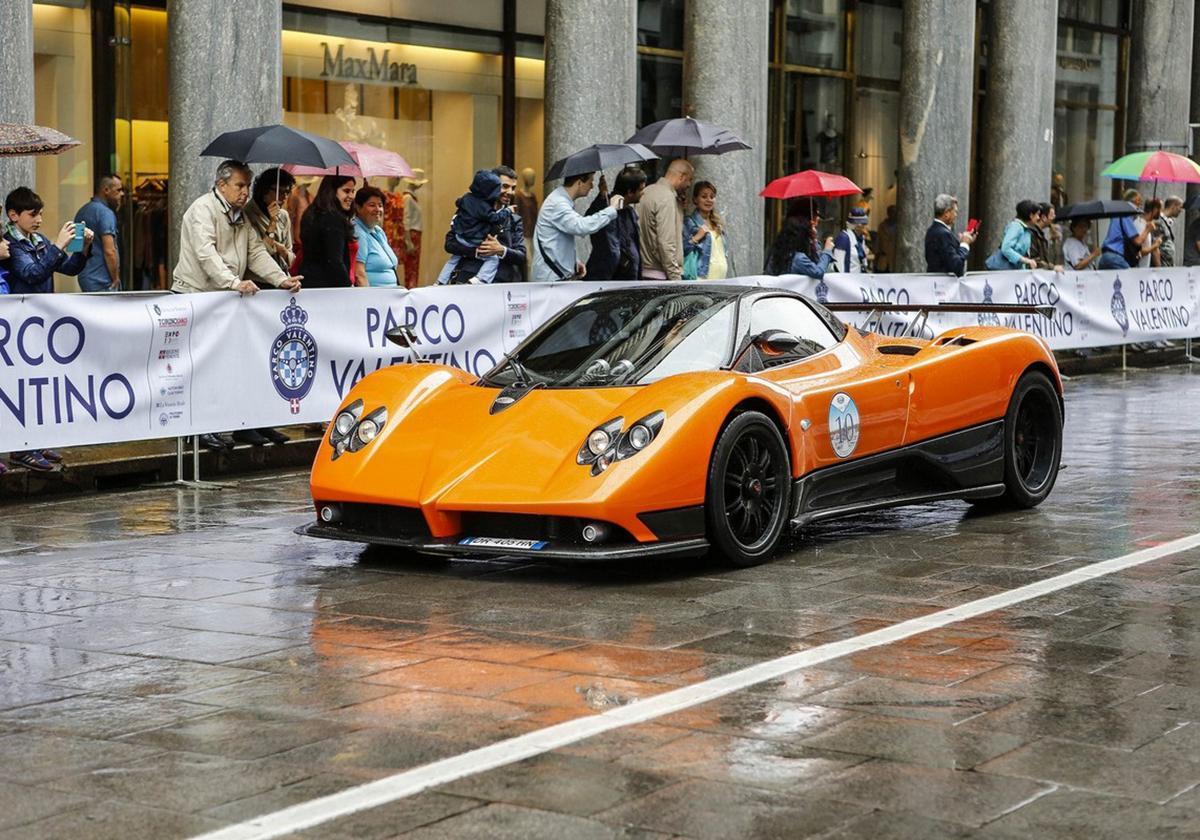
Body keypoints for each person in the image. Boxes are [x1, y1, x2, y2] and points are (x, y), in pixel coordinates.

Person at [171, 160, 302, 451]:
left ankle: (216, 424)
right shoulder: (202, 210)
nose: (245, 193)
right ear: (221, 185)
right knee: (199, 365)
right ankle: (196, 428)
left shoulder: (240, 216)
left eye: (246, 186)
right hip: (196, 296)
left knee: (221, 365)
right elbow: (206, 254)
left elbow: (255, 252)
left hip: (223, 298)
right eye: (239, 186)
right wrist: (233, 282)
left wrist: (281, 280)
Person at [3, 187, 93, 472]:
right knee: (19, 387)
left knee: (35, 385)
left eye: (40, 213)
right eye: (33, 214)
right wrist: (57, 245)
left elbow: (68, 269)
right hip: (18, 325)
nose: (39, 219)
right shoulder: (10, 245)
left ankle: (35, 442)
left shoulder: (38, 240)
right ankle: (21, 448)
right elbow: (32, 274)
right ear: (13, 215)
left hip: (39, 324)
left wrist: (82, 247)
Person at [441, 165, 526, 284]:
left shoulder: (514, 219)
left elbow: (521, 256)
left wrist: (501, 250)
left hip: (501, 283)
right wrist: (477, 250)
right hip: (467, 280)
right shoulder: (470, 210)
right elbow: (450, 243)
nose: (510, 192)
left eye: (513, 188)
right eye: (505, 186)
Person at [531, 170, 621, 282]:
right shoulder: (558, 203)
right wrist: (611, 209)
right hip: (551, 278)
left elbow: (561, 238)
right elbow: (582, 226)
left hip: (556, 276)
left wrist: (574, 262)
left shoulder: (562, 200)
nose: (592, 186)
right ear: (579, 182)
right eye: (590, 181)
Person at [639, 158, 694, 281]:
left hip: (643, 270)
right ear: (682, 177)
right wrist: (675, 279)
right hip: (661, 275)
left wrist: (679, 209)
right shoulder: (667, 198)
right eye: (689, 179)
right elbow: (666, 243)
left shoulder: (646, 191)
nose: (689, 185)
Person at [586, 166, 645, 281]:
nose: (643, 193)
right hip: (610, 280)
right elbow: (607, 246)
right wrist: (602, 198)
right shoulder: (606, 208)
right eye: (641, 189)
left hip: (630, 280)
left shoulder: (630, 212)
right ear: (630, 192)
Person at [297, 174, 356, 288]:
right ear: (332, 191)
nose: (351, 196)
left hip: (309, 283)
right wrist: (348, 287)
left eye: (353, 191)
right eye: (346, 191)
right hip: (327, 288)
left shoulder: (311, 212)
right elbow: (334, 261)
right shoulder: (333, 218)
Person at [245, 167, 296, 287]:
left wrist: (283, 251)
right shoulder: (247, 214)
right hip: (257, 281)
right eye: (279, 191)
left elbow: (290, 255)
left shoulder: (283, 216)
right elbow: (257, 254)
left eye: (287, 192)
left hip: (282, 277)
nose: (283, 197)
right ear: (264, 191)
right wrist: (272, 223)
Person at [74, 174, 125, 292]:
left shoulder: (81, 212)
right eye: (118, 190)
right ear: (106, 190)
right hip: (103, 280)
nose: (122, 194)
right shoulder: (105, 213)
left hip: (84, 277)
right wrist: (115, 278)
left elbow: (76, 246)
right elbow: (110, 251)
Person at [764, 204, 834, 278]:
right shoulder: (798, 258)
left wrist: (814, 242)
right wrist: (827, 250)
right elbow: (818, 271)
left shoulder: (778, 252)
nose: (817, 220)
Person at [683, 180, 735, 280]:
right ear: (695, 199)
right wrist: (696, 237)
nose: (709, 200)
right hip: (702, 278)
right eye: (704, 196)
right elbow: (682, 250)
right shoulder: (690, 222)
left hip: (720, 277)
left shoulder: (717, 223)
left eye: (712, 197)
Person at [353, 186, 402, 287]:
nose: (377, 209)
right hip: (375, 299)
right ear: (358, 207)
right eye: (372, 205)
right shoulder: (358, 231)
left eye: (380, 205)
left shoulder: (378, 231)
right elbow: (359, 273)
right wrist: (369, 300)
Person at [924, 193, 974, 276]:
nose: (956, 215)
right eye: (955, 212)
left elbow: (946, 257)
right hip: (945, 285)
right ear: (946, 213)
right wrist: (964, 244)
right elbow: (956, 265)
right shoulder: (943, 234)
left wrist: (963, 242)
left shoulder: (932, 230)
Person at [1099, 189, 1150, 269]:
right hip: (1115, 257)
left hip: (1104, 257)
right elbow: (1138, 241)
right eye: (1140, 202)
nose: (1140, 206)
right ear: (1136, 200)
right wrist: (1148, 229)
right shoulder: (1126, 213)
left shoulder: (1117, 213)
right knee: (1130, 279)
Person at [985, 200, 1039, 271]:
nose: (1038, 217)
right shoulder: (1016, 226)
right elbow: (1006, 248)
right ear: (1031, 215)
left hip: (1013, 270)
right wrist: (1025, 260)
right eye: (1037, 214)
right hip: (1004, 270)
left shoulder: (1026, 230)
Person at [399, 170, 427, 288]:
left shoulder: (412, 198)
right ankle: (410, 288)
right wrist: (408, 240)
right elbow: (406, 219)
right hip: (412, 234)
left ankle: (412, 287)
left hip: (415, 234)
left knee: (414, 266)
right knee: (411, 266)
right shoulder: (408, 198)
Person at [515, 167, 539, 279]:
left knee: (534, 261)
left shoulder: (533, 196)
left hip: (533, 233)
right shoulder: (518, 196)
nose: (532, 179)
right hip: (523, 233)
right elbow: (516, 215)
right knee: (528, 262)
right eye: (530, 177)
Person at [832, 206, 870, 274]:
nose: (866, 227)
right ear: (858, 225)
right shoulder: (843, 238)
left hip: (859, 279)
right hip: (849, 281)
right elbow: (839, 267)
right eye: (864, 224)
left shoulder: (861, 238)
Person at [1028, 204, 1064, 272]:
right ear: (1044, 217)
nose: (1054, 217)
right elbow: (1035, 260)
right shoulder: (1032, 234)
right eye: (1052, 215)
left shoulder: (1041, 235)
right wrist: (1053, 267)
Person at [1133, 198, 1162, 268]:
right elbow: (1138, 252)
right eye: (1160, 209)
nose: (1160, 212)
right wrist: (1155, 245)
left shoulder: (1148, 225)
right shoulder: (1139, 224)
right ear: (1155, 209)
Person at [1157, 196, 1182, 267]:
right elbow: (1156, 246)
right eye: (1180, 207)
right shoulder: (1159, 221)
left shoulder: (1167, 222)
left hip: (1168, 265)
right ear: (1173, 206)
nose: (1181, 210)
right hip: (1162, 265)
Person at [875, 204, 898, 272]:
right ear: (888, 213)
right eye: (891, 212)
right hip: (883, 258)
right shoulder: (882, 226)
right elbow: (878, 242)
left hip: (894, 259)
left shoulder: (899, 227)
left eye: (894, 212)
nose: (893, 214)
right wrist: (876, 258)